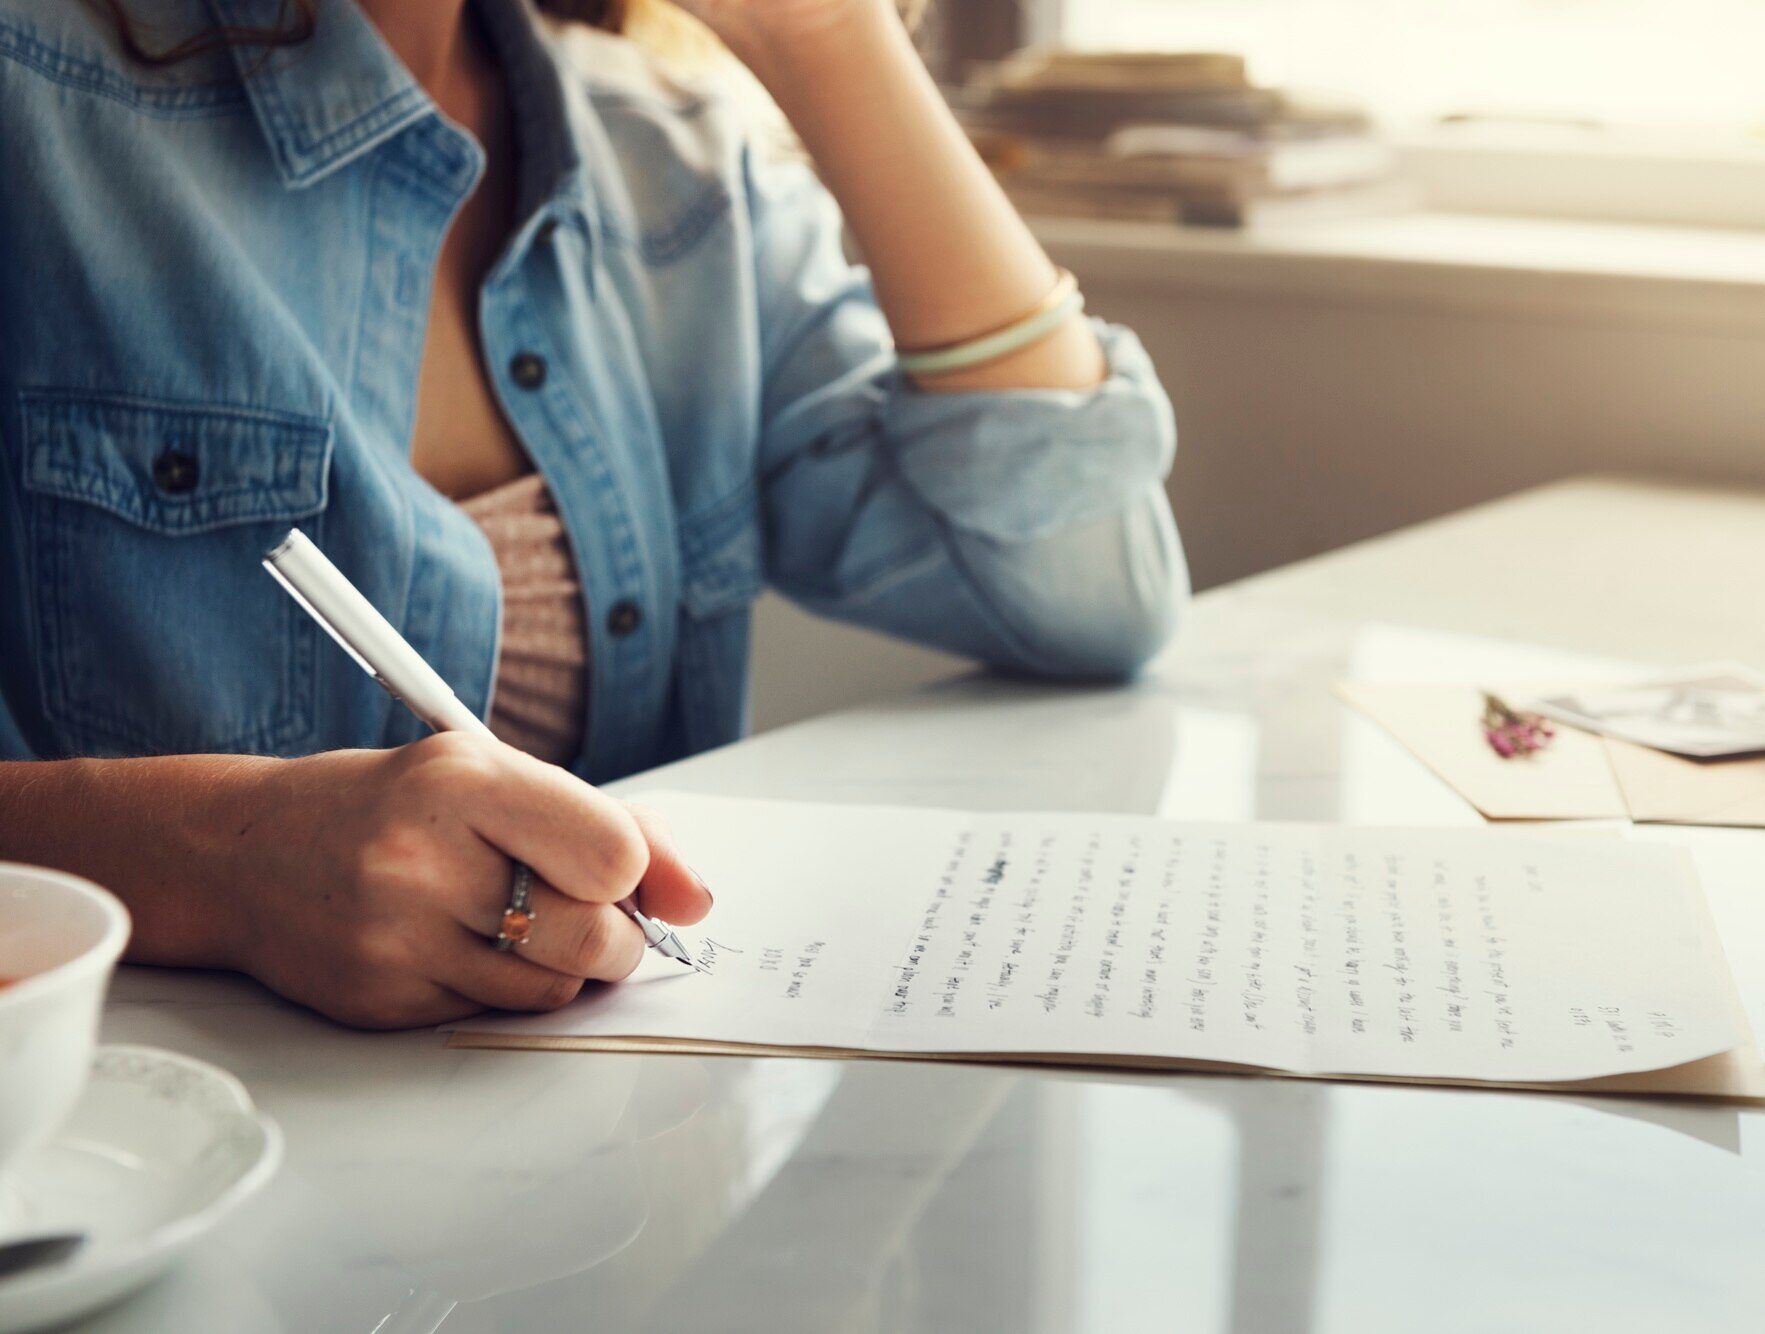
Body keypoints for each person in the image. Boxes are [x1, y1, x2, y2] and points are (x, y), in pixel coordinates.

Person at [0, 0, 1187, 1027]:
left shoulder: (673, 164)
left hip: (615, 1186)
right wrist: (229, 863)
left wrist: (829, 35)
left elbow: (1092, 593)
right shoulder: (34, 101)